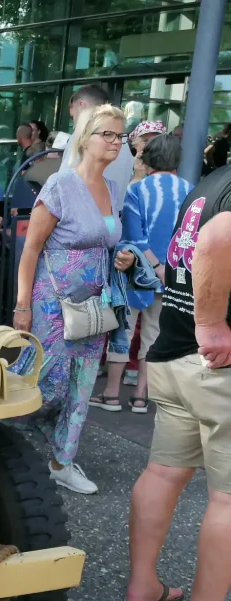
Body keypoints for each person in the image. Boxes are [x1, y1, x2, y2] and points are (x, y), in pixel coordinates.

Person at [120, 162, 231, 601]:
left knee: (164, 473)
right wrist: (212, 325)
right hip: (217, 365)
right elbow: (216, 241)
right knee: (228, 499)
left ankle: (142, 588)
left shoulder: (212, 181)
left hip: (174, 354)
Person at [11, 104, 132, 495]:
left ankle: (62, 461)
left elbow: (107, 241)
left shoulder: (113, 189)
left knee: (82, 385)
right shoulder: (61, 185)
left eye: (120, 136)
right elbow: (31, 249)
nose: (116, 142)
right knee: (46, 381)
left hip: (95, 307)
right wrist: (22, 305)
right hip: (53, 304)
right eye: (107, 134)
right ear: (85, 138)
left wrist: (123, 257)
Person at [91, 133, 192, 415]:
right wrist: (166, 270)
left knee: (121, 331)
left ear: (148, 160)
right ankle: (140, 397)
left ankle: (111, 393)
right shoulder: (190, 190)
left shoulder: (138, 190)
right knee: (154, 335)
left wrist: (154, 266)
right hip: (171, 278)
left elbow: (135, 237)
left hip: (133, 273)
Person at [61, 85, 135, 209]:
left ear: (81, 105)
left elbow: (63, 183)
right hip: (115, 212)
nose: (116, 142)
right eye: (107, 135)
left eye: (72, 116)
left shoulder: (83, 135)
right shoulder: (123, 141)